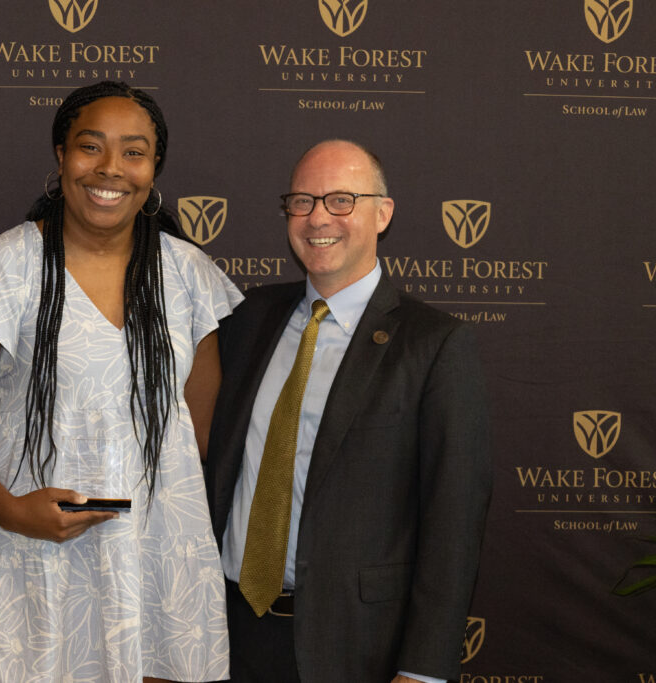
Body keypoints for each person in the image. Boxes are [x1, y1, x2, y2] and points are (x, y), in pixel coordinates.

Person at [0, 81, 241, 682]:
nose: (110, 169)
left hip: (159, 564)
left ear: (154, 169)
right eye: (90, 147)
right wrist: (12, 511)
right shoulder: (1, 270)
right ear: (60, 157)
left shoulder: (189, 275)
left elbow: (196, 438)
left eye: (133, 152)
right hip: (37, 559)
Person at [205, 140, 492, 683]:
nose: (318, 219)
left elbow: (454, 520)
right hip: (226, 635)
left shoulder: (435, 344)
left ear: (382, 213)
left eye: (341, 200)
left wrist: (424, 671)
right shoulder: (247, 319)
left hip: (356, 649)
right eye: (302, 201)